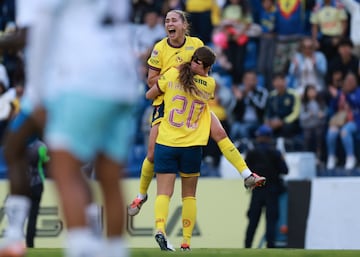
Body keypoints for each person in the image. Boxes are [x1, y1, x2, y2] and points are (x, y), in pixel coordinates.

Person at [14, 1, 137, 257]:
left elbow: (41, 28)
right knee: (110, 179)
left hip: (83, 77)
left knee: (65, 170)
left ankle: (81, 249)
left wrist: (36, 91)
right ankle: (116, 250)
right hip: (124, 78)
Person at [128, 9, 266, 217]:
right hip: (167, 103)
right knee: (151, 153)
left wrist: (191, 80)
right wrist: (176, 77)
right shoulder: (159, 49)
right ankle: (141, 194)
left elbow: (205, 72)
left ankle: (247, 174)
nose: (169, 24)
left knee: (220, 133)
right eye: (166, 21)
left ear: (184, 25)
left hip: (194, 102)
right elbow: (150, 82)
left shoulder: (196, 44)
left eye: (174, 20)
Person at [146, 46, 216, 251]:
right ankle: (186, 242)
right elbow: (202, 91)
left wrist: (163, 86)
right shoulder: (210, 84)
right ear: (209, 67)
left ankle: (160, 229)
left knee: (163, 193)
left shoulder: (173, 74)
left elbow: (149, 95)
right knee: (189, 196)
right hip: (192, 146)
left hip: (166, 142)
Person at [244, 124, 288, 248]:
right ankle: (270, 247)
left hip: (257, 190)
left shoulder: (252, 152)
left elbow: (246, 171)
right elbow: (285, 170)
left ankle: (247, 246)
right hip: (272, 190)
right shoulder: (276, 153)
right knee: (271, 221)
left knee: (253, 221)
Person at [326, 72, 359, 170]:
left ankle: (350, 157)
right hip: (339, 121)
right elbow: (332, 108)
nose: (349, 83)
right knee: (331, 133)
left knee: (345, 131)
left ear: (355, 82)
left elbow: (356, 103)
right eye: (347, 81)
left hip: (355, 121)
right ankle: (331, 156)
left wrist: (346, 95)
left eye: (351, 81)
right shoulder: (339, 93)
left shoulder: (358, 92)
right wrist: (336, 97)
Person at [25, 140, 49, 248]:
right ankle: (30, 243)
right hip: (37, 183)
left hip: (24, 184)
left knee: (21, 215)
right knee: (33, 216)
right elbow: (45, 160)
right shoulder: (42, 146)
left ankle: (17, 242)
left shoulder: (20, 143)